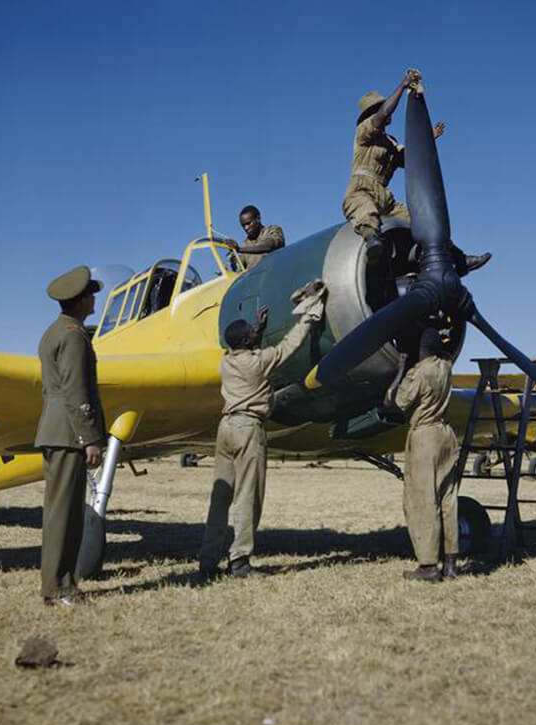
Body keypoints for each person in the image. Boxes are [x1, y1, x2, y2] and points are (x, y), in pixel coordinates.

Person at [199, 283, 326, 578]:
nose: (256, 334)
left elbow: (244, 346)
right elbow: (288, 347)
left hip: (226, 427)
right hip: (248, 430)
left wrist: (255, 328)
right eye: (253, 334)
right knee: (248, 496)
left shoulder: (227, 361)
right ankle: (240, 560)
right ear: (247, 341)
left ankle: (208, 560)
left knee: (220, 498)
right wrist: (308, 317)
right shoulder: (259, 363)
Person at [343, 69, 491, 273]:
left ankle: (458, 258)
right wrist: (403, 86)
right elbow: (384, 113)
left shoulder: (391, 144)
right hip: (362, 189)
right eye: (379, 108)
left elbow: (411, 158)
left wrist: (429, 136)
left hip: (385, 197)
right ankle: (372, 242)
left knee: (423, 221)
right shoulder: (364, 133)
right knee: (364, 210)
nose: (386, 112)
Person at [35, 265, 107, 606]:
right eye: (91, 293)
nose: (95, 298)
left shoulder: (53, 332)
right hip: (69, 434)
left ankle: (55, 585)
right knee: (66, 515)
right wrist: (90, 438)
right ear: (80, 300)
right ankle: (61, 587)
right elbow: (76, 392)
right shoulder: (74, 336)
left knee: (57, 511)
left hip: (55, 430)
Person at [385, 328, 459, 582]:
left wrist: (400, 369)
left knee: (423, 501)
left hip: (424, 436)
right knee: (448, 499)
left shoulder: (419, 373)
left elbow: (393, 402)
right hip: (446, 435)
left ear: (422, 349)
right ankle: (451, 563)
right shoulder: (445, 366)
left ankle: (428, 566)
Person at [226, 205, 285, 270]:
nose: (246, 228)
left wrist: (239, 249)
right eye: (243, 226)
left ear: (258, 219)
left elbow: (268, 246)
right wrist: (233, 256)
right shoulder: (245, 243)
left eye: (248, 223)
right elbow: (240, 267)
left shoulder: (273, 230)